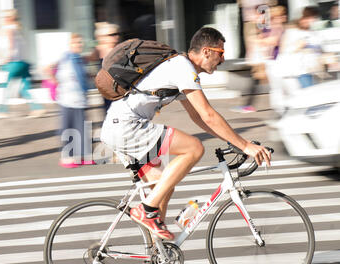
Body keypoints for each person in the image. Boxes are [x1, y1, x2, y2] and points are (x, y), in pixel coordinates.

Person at [100, 27, 271, 244]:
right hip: (128, 126)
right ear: (207, 51)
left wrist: (232, 141)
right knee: (194, 148)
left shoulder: (180, 66)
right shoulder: (182, 67)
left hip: (119, 127)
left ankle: (156, 260)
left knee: (162, 186)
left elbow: (199, 118)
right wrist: (246, 145)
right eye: (221, 54)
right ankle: (146, 209)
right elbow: (208, 114)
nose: (222, 60)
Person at [232, 3, 287, 113]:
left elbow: (273, 41)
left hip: (278, 62)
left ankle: (282, 110)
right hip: (272, 61)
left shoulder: (278, 27)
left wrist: (257, 41)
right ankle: (280, 111)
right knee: (276, 88)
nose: (272, 19)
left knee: (279, 88)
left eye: (274, 17)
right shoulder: (270, 26)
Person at [0, 9, 45, 119]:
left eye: (5, 17)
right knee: (23, 88)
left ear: (11, 17)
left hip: (14, 63)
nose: (3, 19)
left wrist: (8, 57)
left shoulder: (9, 28)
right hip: (22, 62)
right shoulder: (18, 28)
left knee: (7, 86)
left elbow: (11, 44)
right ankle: (37, 108)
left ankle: (2, 111)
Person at [53, 33, 94, 168]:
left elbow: (83, 75)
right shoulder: (66, 59)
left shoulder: (79, 59)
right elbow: (51, 70)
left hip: (80, 99)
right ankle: (67, 157)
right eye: (76, 43)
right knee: (69, 128)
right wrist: (56, 83)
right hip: (67, 100)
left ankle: (83, 155)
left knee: (82, 128)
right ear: (70, 45)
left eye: (80, 43)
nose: (79, 45)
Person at [276, 6, 322, 89]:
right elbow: (283, 51)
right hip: (298, 71)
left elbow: (317, 50)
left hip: (311, 70)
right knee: (308, 95)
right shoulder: (292, 32)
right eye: (314, 18)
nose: (315, 20)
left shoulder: (313, 33)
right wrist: (298, 47)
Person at [87, 22, 121, 114]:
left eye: (117, 34)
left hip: (120, 88)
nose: (116, 37)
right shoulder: (99, 49)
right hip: (107, 89)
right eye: (112, 35)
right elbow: (86, 59)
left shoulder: (120, 49)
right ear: (102, 37)